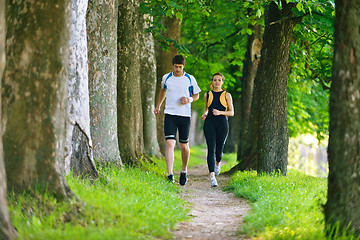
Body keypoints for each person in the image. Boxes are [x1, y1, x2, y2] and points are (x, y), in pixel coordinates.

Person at [154, 55, 201, 185]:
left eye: (180, 67)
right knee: (170, 143)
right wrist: (158, 105)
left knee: (184, 145)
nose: (178, 69)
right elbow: (162, 90)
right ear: (173, 65)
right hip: (170, 114)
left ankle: (184, 170)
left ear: (183, 66)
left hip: (184, 116)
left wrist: (189, 99)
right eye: (176, 67)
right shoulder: (166, 78)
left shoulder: (190, 79)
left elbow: (196, 95)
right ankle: (170, 175)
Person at [201, 72, 234, 187]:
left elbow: (231, 112)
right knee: (211, 149)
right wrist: (205, 114)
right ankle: (212, 177)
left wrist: (220, 112)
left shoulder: (226, 95)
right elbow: (206, 107)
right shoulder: (207, 95)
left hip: (222, 124)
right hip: (209, 123)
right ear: (212, 82)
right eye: (215, 80)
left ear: (222, 82)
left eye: (219, 80)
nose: (217, 82)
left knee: (219, 151)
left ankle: (217, 163)